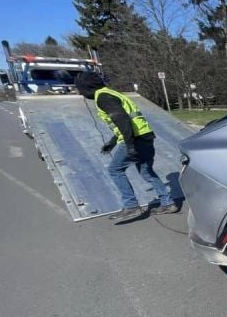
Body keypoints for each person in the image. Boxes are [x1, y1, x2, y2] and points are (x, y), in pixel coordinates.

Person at [74, 72, 177, 223]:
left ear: (85, 86)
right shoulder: (111, 93)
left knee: (115, 170)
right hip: (146, 136)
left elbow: (122, 120)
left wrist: (129, 145)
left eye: (79, 89)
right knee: (147, 172)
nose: (79, 92)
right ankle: (168, 203)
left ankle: (131, 205)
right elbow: (127, 121)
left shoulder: (102, 97)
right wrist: (112, 142)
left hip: (135, 139)